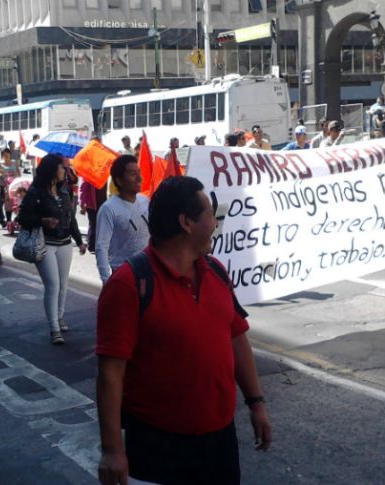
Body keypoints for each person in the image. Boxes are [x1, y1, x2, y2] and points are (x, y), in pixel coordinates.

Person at [95, 176, 272, 485]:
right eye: (210, 215)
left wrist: (256, 403)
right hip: (158, 449)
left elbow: (236, 337)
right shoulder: (128, 285)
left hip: (219, 442)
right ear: (186, 223)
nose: (215, 224)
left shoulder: (216, 271)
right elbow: (110, 373)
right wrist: (113, 450)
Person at [17, 154, 87, 345]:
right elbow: (22, 218)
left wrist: (79, 241)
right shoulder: (36, 192)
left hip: (65, 243)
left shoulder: (65, 190)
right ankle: (54, 327)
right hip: (45, 244)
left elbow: (71, 218)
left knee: (63, 284)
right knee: (53, 285)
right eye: (61, 167)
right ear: (52, 170)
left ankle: (59, 316)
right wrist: (42, 221)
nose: (65, 170)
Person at [95, 155, 150, 285]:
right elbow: (101, 247)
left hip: (148, 271)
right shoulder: (109, 209)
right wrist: (106, 281)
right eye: (132, 174)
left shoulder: (145, 202)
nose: (139, 178)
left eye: (139, 173)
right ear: (119, 181)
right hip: (123, 275)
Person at [79, 176, 108, 254]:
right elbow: (82, 188)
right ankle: (92, 246)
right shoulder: (88, 174)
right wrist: (82, 203)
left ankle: (99, 245)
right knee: (93, 224)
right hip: (92, 204)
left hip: (104, 202)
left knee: (101, 225)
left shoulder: (104, 174)